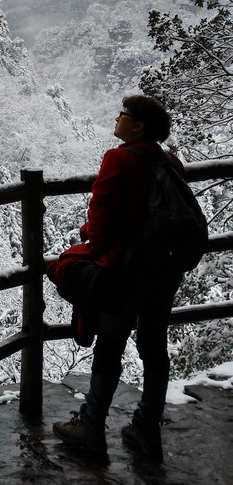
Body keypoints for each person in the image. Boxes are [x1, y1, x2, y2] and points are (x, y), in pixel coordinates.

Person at [52, 94, 186, 461]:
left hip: (127, 271)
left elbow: (101, 219)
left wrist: (95, 240)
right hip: (166, 268)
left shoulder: (119, 158)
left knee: (110, 345)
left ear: (138, 125)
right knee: (154, 344)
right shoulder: (170, 161)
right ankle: (146, 427)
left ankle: (91, 425)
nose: (117, 118)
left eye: (123, 115)